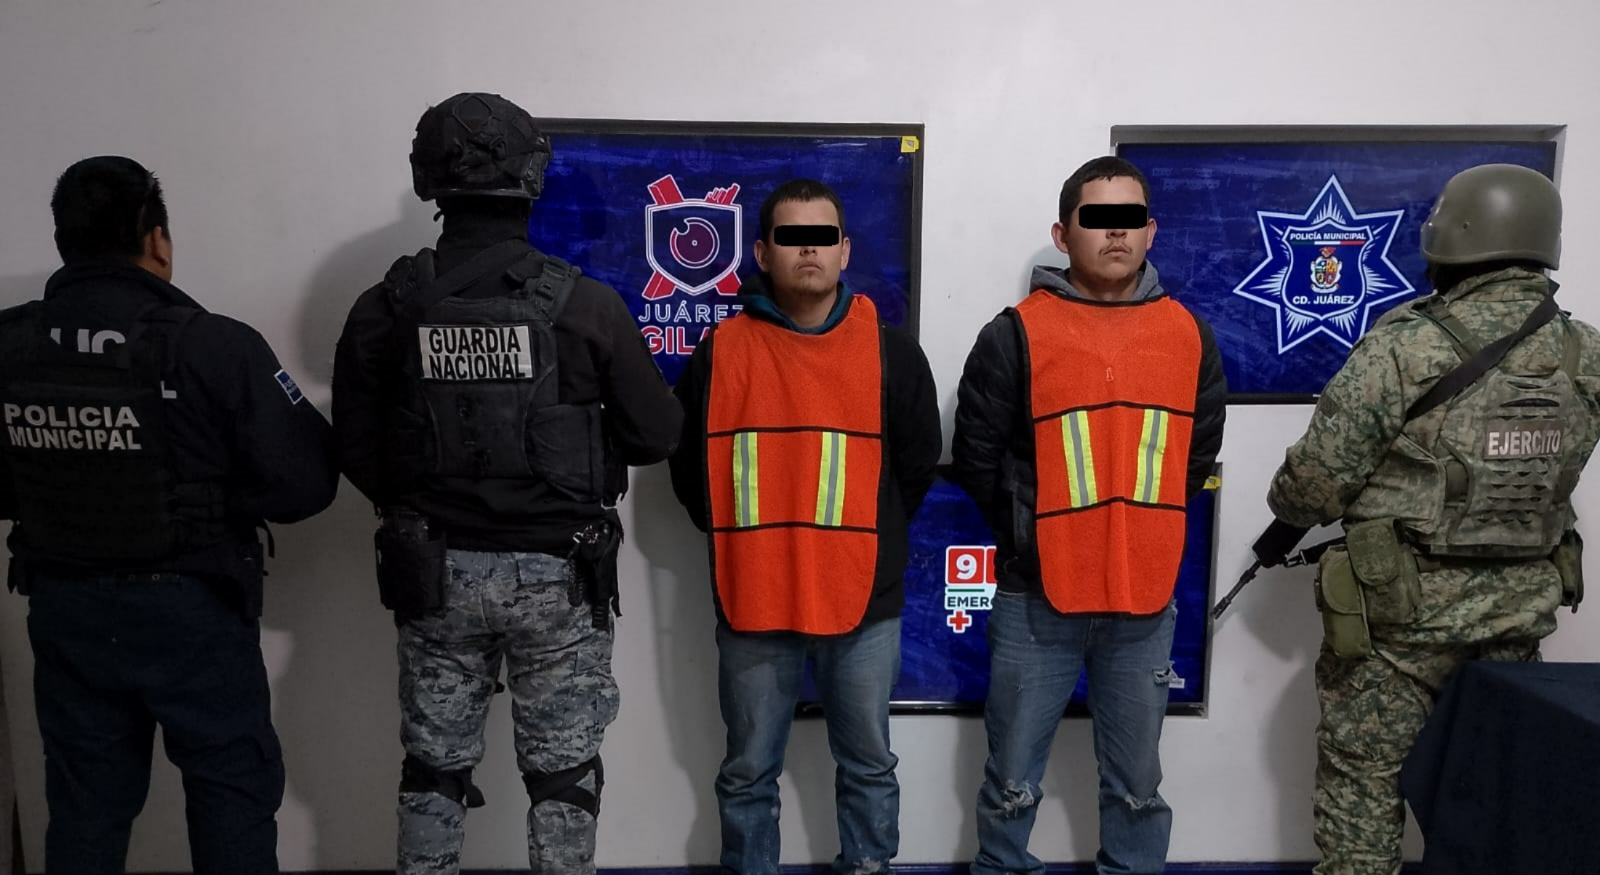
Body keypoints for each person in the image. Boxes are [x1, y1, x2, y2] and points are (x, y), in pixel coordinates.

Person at [332, 92, 682, 875]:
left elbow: (353, 444)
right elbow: (658, 434)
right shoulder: (585, 305)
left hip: (433, 571)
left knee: (433, 771)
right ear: (532, 177)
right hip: (558, 576)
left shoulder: (387, 307)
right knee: (563, 780)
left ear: (428, 179)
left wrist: (422, 500)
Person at [0, 155, 339, 875]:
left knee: (85, 807)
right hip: (194, 606)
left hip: (64, 605)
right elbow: (305, 483)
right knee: (231, 791)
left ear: (63, 240)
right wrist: (214, 497)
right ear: (156, 239)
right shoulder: (213, 343)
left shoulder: (9, 343)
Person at [1260, 162, 1600, 875]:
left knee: (1362, 785)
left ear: (1453, 238)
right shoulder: (1584, 352)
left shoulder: (1406, 344)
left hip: (1400, 622)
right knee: (1499, 792)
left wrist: (1286, 511)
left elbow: (1314, 486)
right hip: (1518, 620)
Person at [952, 156, 1226, 875]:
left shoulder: (1189, 335)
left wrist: (1141, 534)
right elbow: (977, 458)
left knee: (1137, 788)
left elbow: (1196, 457)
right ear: (1062, 234)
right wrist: (1031, 542)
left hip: (1143, 600)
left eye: (1129, 219)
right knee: (1012, 782)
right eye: (1097, 219)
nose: (1115, 234)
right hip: (1035, 598)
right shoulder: (1014, 334)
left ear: (1151, 231)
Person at [668, 178, 941, 875]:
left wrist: (863, 544)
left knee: (869, 763)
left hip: (864, 603)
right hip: (753, 599)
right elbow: (691, 475)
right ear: (763, 252)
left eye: (823, 237)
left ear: (845, 250)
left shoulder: (892, 353)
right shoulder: (720, 352)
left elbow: (914, 469)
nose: (809, 251)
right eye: (792, 237)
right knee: (748, 770)